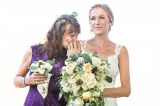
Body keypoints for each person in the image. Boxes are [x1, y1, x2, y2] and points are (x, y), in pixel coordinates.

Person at [13, 14, 81, 106]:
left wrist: (74, 59)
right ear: (59, 34)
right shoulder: (34, 51)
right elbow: (16, 80)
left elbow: (78, 88)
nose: (75, 40)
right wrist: (27, 80)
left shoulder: (75, 56)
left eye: (77, 36)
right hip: (34, 103)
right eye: (71, 35)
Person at [77, 3, 131, 106]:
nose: (96, 22)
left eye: (101, 17)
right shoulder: (78, 47)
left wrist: (95, 92)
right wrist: (72, 57)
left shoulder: (121, 51)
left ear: (110, 21)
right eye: (93, 18)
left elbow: (126, 90)